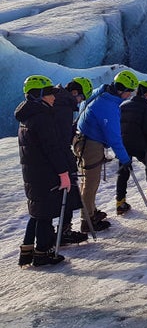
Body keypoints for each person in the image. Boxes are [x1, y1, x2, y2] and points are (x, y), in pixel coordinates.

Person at [16, 75, 71, 267]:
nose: (53, 97)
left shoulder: (27, 117)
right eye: (49, 93)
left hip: (34, 175)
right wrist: (63, 173)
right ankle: (42, 253)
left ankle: (27, 250)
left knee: (37, 212)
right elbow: (52, 148)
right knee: (45, 215)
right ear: (38, 95)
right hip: (45, 174)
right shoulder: (42, 117)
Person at [74, 70, 138, 231]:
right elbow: (114, 138)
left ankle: (90, 212)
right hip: (91, 144)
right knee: (90, 183)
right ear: (121, 90)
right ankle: (88, 221)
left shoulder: (102, 93)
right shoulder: (108, 106)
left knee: (88, 182)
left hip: (83, 140)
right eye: (129, 91)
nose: (130, 95)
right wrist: (125, 159)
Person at [49, 80, 89, 244]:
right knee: (69, 191)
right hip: (60, 157)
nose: (80, 101)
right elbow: (62, 138)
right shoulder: (64, 106)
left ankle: (49, 235)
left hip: (49, 157)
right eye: (80, 97)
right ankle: (64, 231)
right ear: (75, 93)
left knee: (51, 197)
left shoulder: (57, 100)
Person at [120, 79, 147, 212]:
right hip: (140, 144)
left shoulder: (123, 105)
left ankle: (120, 202)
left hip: (123, 144)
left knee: (123, 171)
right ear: (146, 94)